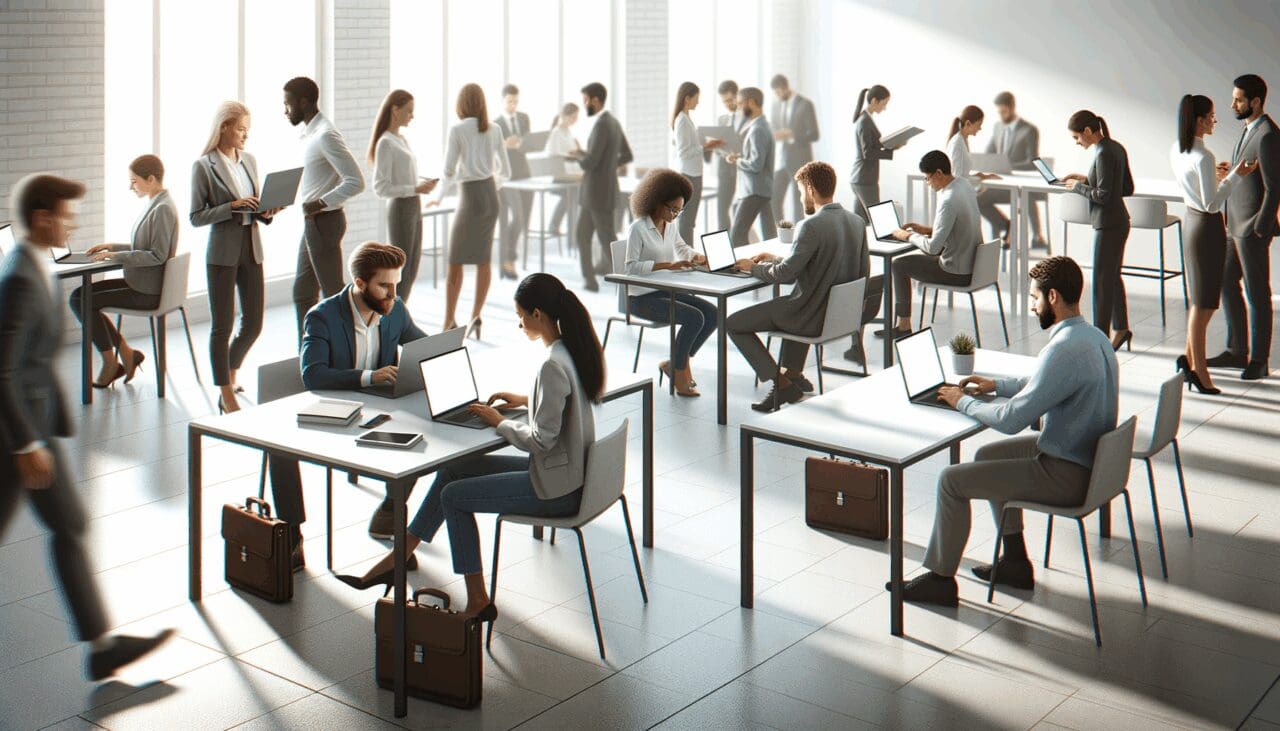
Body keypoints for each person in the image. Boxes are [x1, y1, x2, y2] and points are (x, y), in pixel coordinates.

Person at [335, 273, 603, 622]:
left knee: (454, 496)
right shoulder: (570, 350)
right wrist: (525, 399)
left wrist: (497, 422)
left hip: (557, 486)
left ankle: (477, 600)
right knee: (453, 470)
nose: (519, 323)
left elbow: (540, 441)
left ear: (538, 314)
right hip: (569, 471)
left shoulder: (552, 364)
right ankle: (400, 555)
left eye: (520, 315)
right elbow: (563, 406)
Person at [1, 173, 174, 679]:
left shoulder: (33, 266)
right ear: (42, 218)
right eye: (66, 214)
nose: (72, 223)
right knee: (67, 525)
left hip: (31, 429)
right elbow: (4, 369)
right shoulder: (18, 279)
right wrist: (27, 443)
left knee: (70, 525)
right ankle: (101, 648)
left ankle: (101, 648)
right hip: (15, 437)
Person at [895, 256, 1118, 607]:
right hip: (1087, 461)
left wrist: (961, 401)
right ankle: (1014, 562)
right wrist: (995, 385)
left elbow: (1011, 421)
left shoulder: (1062, 348)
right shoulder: (1093, 337)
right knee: (986, 455)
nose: (1032, 306)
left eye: (1034, 298)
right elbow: (1045, 384)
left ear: (1054, 297)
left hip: (1067, 474)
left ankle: (940, 580)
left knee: (950, 481)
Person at [287, 243, 430, 547]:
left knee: (425, 435)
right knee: (279, 453)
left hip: (378, 413)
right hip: (335, 415)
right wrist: (369, 378)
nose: (393, 294)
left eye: (396, 285)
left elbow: (423, 346)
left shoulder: (395, 309)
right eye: (385, 287)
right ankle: (291, 534)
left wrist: (445, 350)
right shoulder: (322, 317)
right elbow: (312, 374)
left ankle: (390, 512)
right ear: (360, 283)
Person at [727, 161, 870, 412]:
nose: (802, 196)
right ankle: (793, 375)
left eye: (801, 191)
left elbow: (785, 276)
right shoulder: (856, 222)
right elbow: (858, 271)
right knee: (793, 303)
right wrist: (775, 258)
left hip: (809, 316)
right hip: (837, 316)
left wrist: (752, 267)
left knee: (733, 323)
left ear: (811, 189)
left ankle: (781, 383)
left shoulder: (811, 225)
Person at [191, 101, 282, 413]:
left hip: (251, 246)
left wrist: (267, 211)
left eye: (248, 129)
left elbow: (254, 208)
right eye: (241, 129)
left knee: (254, 323)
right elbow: (196, 216)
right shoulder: (204, 166)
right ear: (225, 127)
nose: (246, 135)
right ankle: (225, 390)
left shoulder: (250, 161)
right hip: (222, 253)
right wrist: (231, 207)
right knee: (222, 325)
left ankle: (230, 370)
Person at [1170, 94, 1257, 394]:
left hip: (1190, 223)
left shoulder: (1178, 150)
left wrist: (1218, 175)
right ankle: (1200, 373)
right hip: (1207, 228)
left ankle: (1188, 359)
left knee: (1200, 300)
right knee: (1204, 304)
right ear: (1198, 120)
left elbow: (1195, 191)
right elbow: (1211, 204)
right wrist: (1236, 175)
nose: (1214, 122)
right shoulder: (1203, 157)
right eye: (1211, 117)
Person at [70, 154, 178, 389]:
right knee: (79, 296)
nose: (131, 187)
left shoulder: (162, 209)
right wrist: (113, 247)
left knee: (81, 301)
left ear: (151, 179)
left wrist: (116, 257)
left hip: (147, 292)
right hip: (140, 283)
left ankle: (112, 363)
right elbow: (145, 247)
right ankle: (127, 355)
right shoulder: (156, 203)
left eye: (134, 181)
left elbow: (157, 255)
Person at [1209, 73, 1279, 381]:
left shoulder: (1268, 134)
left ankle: (1259, 360)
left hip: (1251, 227)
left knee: (1257, 294)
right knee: (1224, 281)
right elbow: (1251, 174)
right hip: (1233, 224)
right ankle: (1237, 350)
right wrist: (1231, 171)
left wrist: (1261, 227)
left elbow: (1275, 187)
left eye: (1238, 99)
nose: (1232, 104)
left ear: (1255, 101)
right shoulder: (1248, 129)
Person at [285, 76, 366, 340]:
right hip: (314, 223)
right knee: (303, 292)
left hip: (325, 221)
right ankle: (308, 354)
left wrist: (320, 202)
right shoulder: (309, 134)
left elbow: (356, 181)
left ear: (304, 102)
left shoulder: (326, 135)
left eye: (288, 104)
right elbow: (315, 179)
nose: (285, 111)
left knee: (333, 293)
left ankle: (352, 348)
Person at [623, 168, 715, 397]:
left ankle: (674, 364)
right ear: (656, 201)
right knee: (694, 318)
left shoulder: (670, 226)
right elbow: (630, 267)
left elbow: (681, 248)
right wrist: (666, 266)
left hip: (664, 291)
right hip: (641, 299)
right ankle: (680, 372)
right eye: (672, 209)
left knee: (713, 314)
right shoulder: (638, 229)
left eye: (679, 211)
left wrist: (697, 257)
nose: (675, 215)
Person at [435, 83, 511, 338]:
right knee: (483, 259)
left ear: (461, 104)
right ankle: (476, 317)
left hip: (469, 197)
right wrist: (491, 185)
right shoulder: (495, 128)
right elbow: (506, 172)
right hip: (490, 196)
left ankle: (448, 321)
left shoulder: (457, 130)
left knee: (455, 260)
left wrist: (438, 196)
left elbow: (447, 171)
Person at [880, 150, 981, 338]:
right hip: (974, 265)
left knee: (899, 265)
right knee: (910, 259)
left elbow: (933, 248)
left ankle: (903, 326)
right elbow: (957, 227)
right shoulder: (964, 186)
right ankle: (902, 324)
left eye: (927, 178)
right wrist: (925, 230)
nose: (927, 184)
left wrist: (906, 236)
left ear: (939, 174)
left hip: (956, 272)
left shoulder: (948, 199)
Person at [1060, 109, 1135, 350]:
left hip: (1108, 223)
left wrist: (1076, 188)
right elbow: (1125, 188)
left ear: (1088, 131)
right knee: (1112, 278)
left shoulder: (1102, 153)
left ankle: (1100, 338)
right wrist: (1085, 179)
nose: (1077, 142)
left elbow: (1103, 196)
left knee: (1102, 281)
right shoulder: (1115, 147)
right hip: (1119, 221)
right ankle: (1121, 329)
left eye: (1077, 137)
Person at [370, 89, 439, 305]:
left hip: (413, 205)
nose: (412, 116)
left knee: (412, 267)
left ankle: (400, 313)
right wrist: (414, 189)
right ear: (395, 110)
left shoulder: (402, 139)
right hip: (400, 208)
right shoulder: (385, 142)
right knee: (401, 272)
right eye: (409, 111)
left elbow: (403, 176)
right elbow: (380, 187)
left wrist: (420, 184)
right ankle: (393, 317)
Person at [567, 82, 633, 291]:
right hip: (602, 191)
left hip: (595, 192)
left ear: (595, 100)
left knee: (606, 239)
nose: (585, 104)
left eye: (586, 100)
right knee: (585, 235)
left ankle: (628, 284)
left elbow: (590, 163)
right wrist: (610, 166)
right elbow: (627, 155)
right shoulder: (612, 121)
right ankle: (590, 279)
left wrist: (578, 154)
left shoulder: (602, 125)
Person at [979, 92, 1047, 247]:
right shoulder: (997, 127)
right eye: (999, 112)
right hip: (1003, 185)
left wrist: (1006, 167)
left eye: (1004, 111)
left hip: (1021, 186)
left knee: (1025, 194)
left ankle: (1037, 237)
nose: (1001, 116)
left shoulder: (1029, 130)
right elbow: (988, 154)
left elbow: (1032, 162)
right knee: (977, 199)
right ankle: (1005, 226)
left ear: (1012, 108)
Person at [671, 82, 722, 254]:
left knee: (689, 219)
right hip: (689, 175)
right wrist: (706, 146)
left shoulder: (687, 119)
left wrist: (705, 145)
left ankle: (687, 255)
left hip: (695, 173)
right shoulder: (682, 121)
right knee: (686, 219)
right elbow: (684, 152)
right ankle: (686, 257)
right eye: (696, 99)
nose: (698, 103)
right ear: (687, 98)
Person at [726, 86, 776, 246]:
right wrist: (741, 157)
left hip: (754, 190)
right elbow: (757, 158)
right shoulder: (761, 125)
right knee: (770, 235)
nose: (739, 108)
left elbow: (755, 165)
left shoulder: (758, 130)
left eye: (741, 104)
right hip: (761, 188)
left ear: (752, 103)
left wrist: (737, 161)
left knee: (737, 235)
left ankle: (743, 268)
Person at [769, 74, 820, 224]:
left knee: (800, 202)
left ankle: (801, 235)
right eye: (775, 93)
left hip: (800, 160)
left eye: (779, 92)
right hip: (781, 160)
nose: (777, 96)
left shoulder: (805, 104)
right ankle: (781, 233)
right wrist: (775, 134)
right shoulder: (776, 105)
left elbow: (814, 134)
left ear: (786, 87)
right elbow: (774, 127)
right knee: (774, 199)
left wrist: (792, 135)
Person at [495, 83, 533, 280]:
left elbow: (529, 143)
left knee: (524, 218)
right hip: (507, 177)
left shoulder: (524, 118)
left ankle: (509, 254)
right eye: (510, 101)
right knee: (516, 216)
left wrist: (522, 143)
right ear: (502, 101)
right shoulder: (496, 124)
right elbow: (492, 150)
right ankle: (507, 257)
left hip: (525, 172)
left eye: (516, 101)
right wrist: (504, 144)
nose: (513, 105)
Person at [849, 85, 898, 222]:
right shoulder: (864, 121)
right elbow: (868, 153)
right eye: (884, 104)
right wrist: (889, 152)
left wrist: (893, 146)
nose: (885, 108)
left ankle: (859, 244)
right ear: (875, 100)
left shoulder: (866, 119)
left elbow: (872, 147)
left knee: (860, 221)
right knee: (879, 220)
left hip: (861, 178)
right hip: (865, 179)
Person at [543, 102, 581, 235]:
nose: (576, 120)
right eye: (574, 116)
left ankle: (565, 228)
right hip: (560, 174)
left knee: (573, 196)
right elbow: (555, 155)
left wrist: (577, 152)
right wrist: (571, 154)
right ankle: (558, 226)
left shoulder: (568, 131)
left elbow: (572, 152)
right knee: (570, 196)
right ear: (566, 116)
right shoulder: (556, 132)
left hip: (571, 171)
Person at [713, 80, 744, 232]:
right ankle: (723, 246)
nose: (727, 104)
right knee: (722, 211)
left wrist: (739, 154)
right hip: (725, 170)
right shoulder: (722, 119)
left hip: (743, 171)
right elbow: (718, 147)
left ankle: (741, 245)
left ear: (737, 96)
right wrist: (723, 152)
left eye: (730, 100)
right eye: (724, 101)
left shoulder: (748, 118)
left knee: (740, 213)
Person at [945, 105, 1001, 184]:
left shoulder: (962, 140)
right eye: (979, 125)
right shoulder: (957, 144)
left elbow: (962, 175)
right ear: (968, 124)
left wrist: (980, 176)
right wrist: (979, 178)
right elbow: (957, 179)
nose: (980, 128)